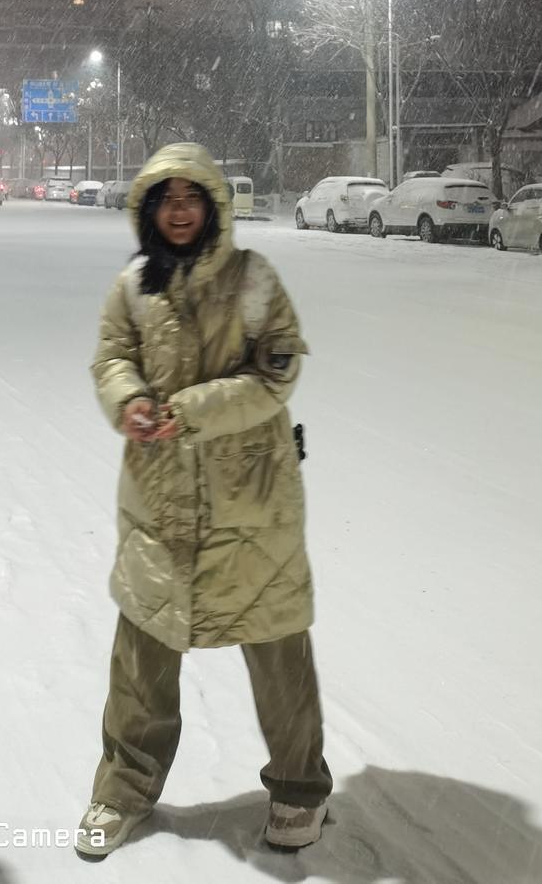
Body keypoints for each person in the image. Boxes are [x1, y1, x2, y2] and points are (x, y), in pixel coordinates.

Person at [77, 143, 331, 860]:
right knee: (142, 652)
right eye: (167, 198)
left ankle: (298, 789)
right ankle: (123, 788)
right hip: (159, 498)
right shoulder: (133, 284)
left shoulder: (255, 280)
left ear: (214, 206)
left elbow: (276, 375)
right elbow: (110, 358)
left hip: (252, 498)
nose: (180, 209)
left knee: (278, 644)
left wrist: (188, 409)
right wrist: (126, 401)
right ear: (150, 209)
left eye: (193, 196)